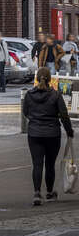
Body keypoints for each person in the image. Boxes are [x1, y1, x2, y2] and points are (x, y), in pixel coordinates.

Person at [23, 66, 74, 206]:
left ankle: (37, 193)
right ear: (50, 79)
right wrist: (69, 131)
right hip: (52, 134)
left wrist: (35, 120)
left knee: (37, 164)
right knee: (50, 165)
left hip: (34, 134)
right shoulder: (56, 95)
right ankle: (50, 192)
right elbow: (64, 115)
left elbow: (25, 112)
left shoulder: (29, 95)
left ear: (37, 78)